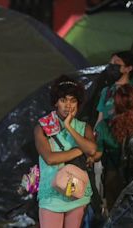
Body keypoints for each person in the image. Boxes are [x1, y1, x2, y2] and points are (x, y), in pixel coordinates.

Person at [34, 75, 97, 228]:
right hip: (52, 195)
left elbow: (93, 150)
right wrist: (79, 150)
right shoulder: (42, 127)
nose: (68, 105)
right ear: (56, 102)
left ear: (78, 103)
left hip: (77, 193)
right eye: (63, 100)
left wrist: (69, 127)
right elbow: (50, 158)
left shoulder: (84, 127)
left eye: (73, 100)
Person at [95, 84, 133, 210]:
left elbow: (96, 155)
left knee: (115, 214)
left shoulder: (103, 126)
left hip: (113, 177)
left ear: (115, 103)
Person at [95, 51, 133, 126]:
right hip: (104, 136)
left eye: (116, 64)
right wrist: (95, 134)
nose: (111, 67)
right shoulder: (106, 91)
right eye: (110, 64)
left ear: (128, 68)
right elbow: (100, 119)